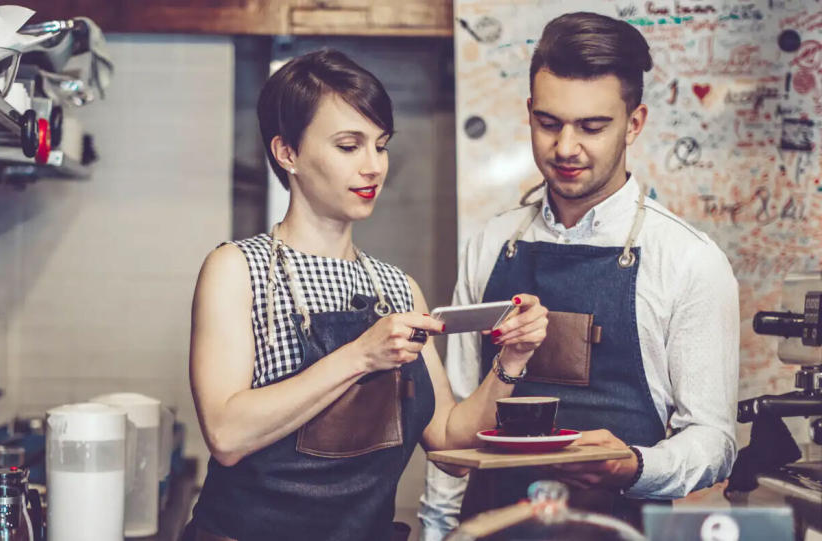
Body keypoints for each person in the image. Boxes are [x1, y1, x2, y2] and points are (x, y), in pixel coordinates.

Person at [184, 49, 549, 541]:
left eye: (380, 145)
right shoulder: (238, 269)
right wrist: (360, 355)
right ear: (287, 152)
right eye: (348, 145)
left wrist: (513, 360)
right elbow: (227, 435)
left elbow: (448, 442)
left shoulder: (398, 288)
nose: (373, 166)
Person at [419, 12, 740, 539]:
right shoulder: (491, 244)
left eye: (592, 127)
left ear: (634, 123)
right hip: (487, 528)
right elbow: (454, 424)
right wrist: (438, 531)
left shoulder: (686, 260)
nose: (566, 147)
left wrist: (635, 465)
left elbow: (713, 441)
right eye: (549, 123)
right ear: (528, 113)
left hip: (618, 527)